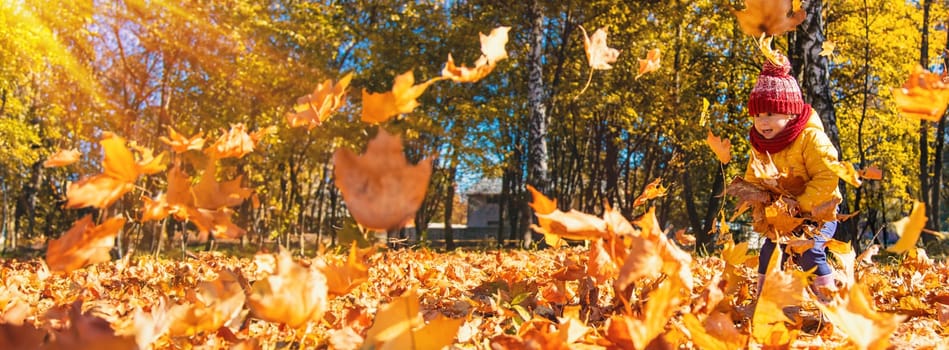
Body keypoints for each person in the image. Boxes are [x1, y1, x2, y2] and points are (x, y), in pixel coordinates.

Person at [742, 53, 842, 305]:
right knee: (769, 253)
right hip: (783, 217)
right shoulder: (759, 145)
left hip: (819, 212)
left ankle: (831, 303)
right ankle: (765, 302)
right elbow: (754, 178)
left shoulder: (810, 139)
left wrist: (801, 206)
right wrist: (760, 203)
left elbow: (827, 175)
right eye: (757, 116)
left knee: (808, 251)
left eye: (770, 114)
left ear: (789, 112)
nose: (762, 122)